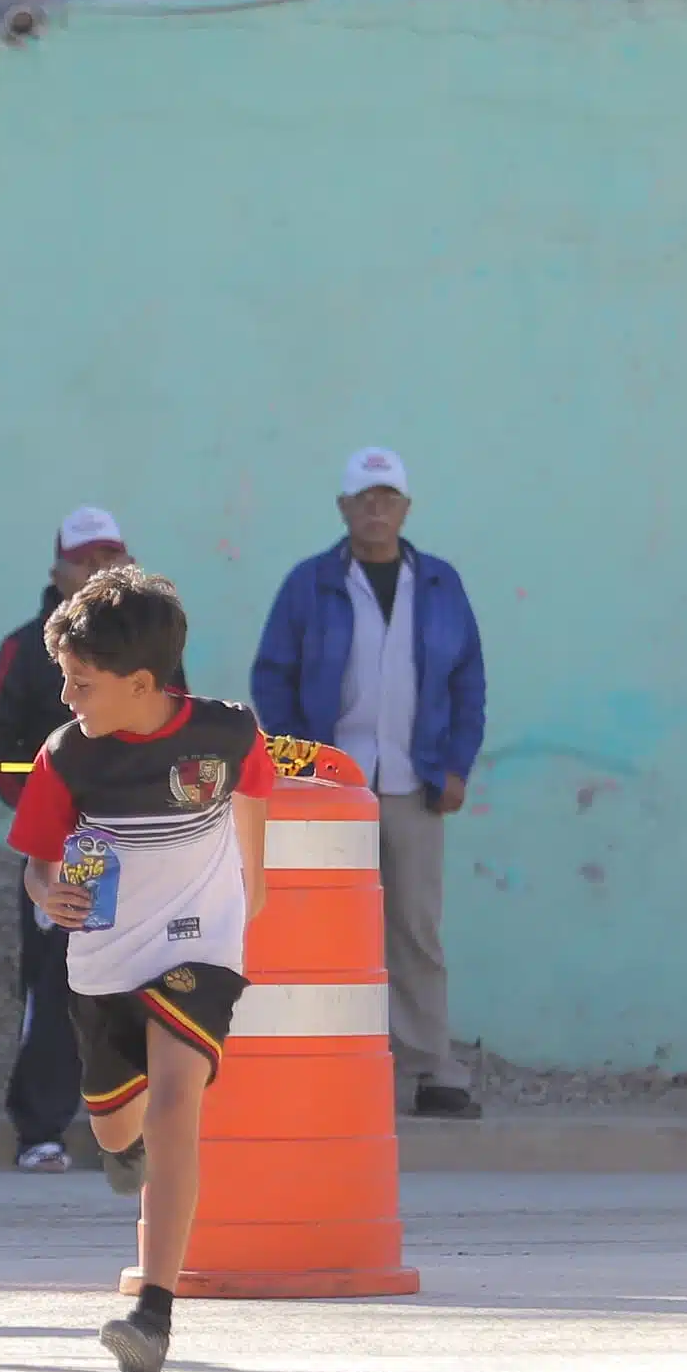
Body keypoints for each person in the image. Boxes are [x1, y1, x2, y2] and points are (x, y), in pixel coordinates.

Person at [8, 566, 275, 1372]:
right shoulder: (66, 758)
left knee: (173, 1105)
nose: (65, 698)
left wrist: (239, 919)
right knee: (119, 1131)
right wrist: (49, 892)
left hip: (200, 952)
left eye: (80, 683)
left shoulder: (230, 736)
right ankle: (121, 1155)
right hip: (102, 966)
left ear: (142, 684)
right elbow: (37, 868)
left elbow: (253, 833)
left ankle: (152, 1313)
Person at [247, 445, 488, 1119]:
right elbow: (273, 674)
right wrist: (302, 762)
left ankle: (427, 1069)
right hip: (332, 791)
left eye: (388, 497)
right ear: (344, 508)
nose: (377, 509)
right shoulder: (310, 584)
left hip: (416, 783)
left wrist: (457, 766)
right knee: (325, 928)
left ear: (406, 508)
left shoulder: (440, 586)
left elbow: (468, 680)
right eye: (365, 498)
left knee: (414, 926)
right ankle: (327, 1062)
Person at [0, 505, 132, 1169]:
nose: (100, 573)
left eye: (111, 559)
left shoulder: (151, 649)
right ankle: (41, 1130)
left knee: (137, 980)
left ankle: (130, 1131)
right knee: (56, 982)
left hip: (136, 846)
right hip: (62, 852)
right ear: (59, 570)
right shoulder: (24, 648)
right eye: (87, 561)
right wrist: (43, 819)